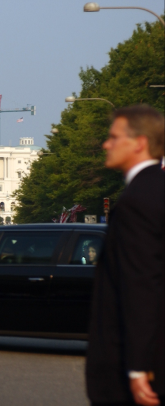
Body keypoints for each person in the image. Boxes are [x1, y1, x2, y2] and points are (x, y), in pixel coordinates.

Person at [86, 105, 164, 406]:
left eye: (114, 137)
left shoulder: (136, 203)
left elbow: (140, 288)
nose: (106, 144)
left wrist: (138, 368)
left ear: (139, 143)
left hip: (137, 370)